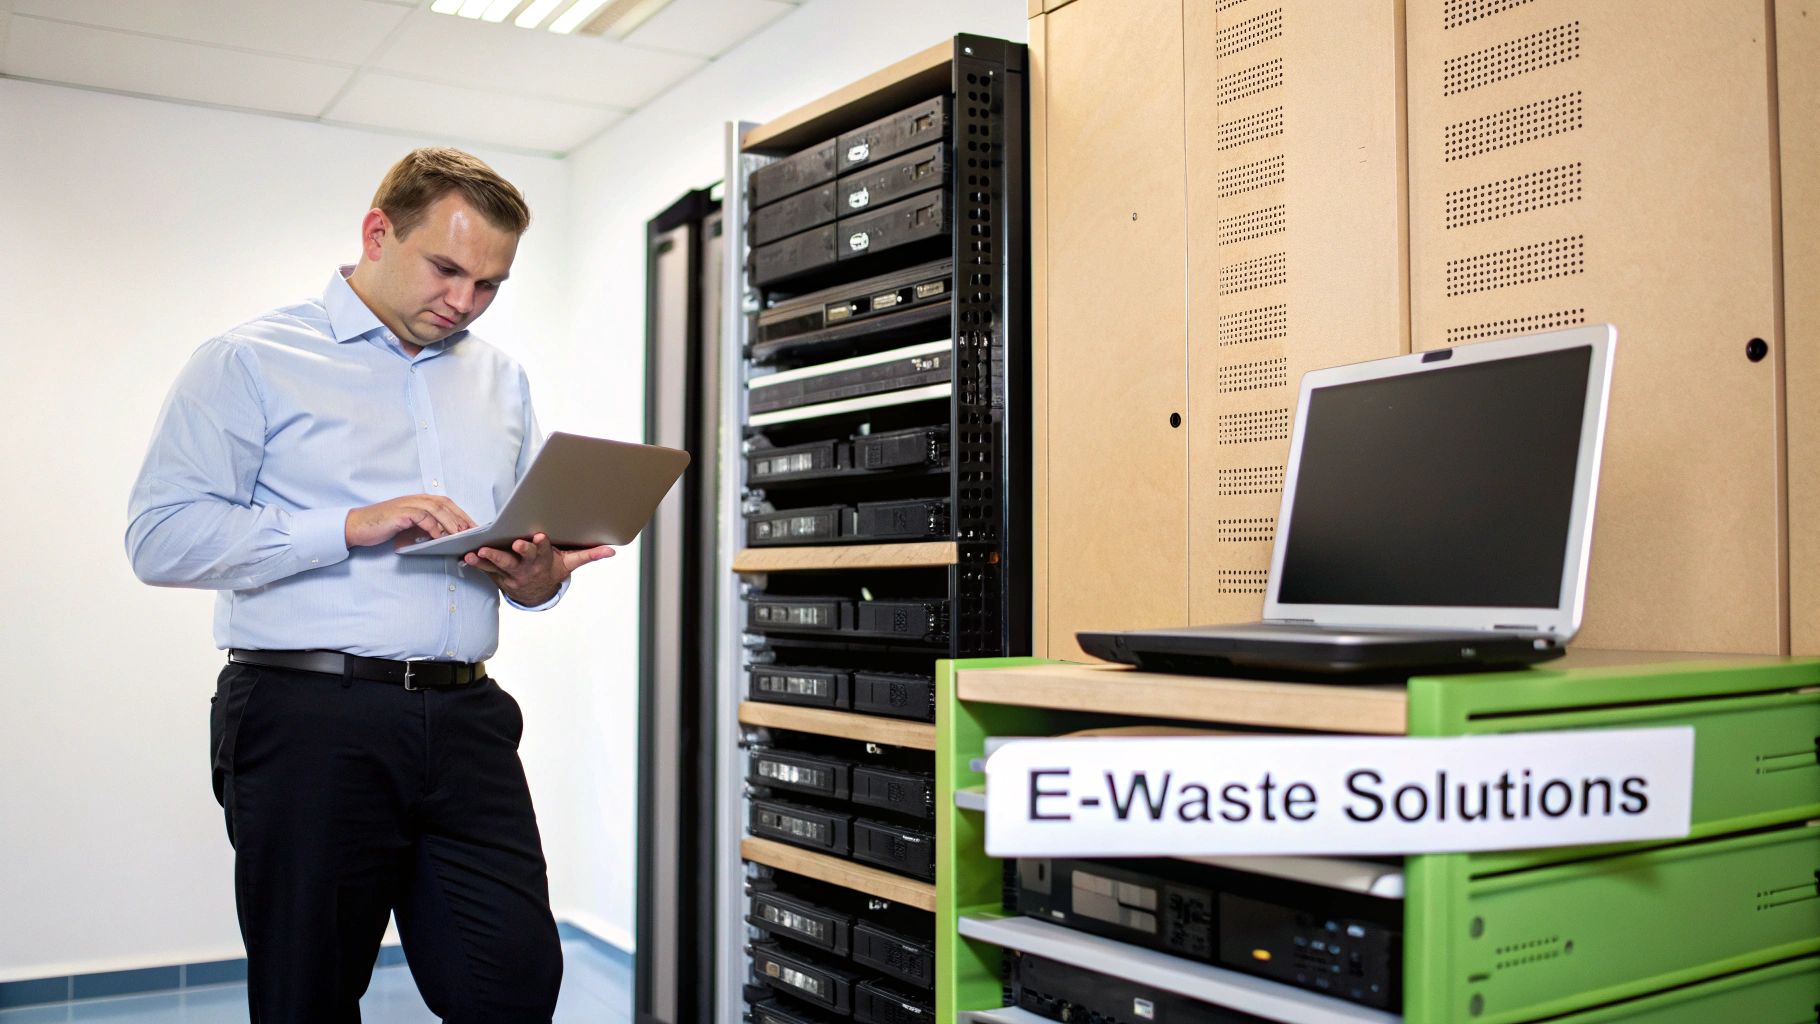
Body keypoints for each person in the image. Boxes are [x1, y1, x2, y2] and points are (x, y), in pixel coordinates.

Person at [125, 147, 609, 1022]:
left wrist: (537, 578)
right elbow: (161, 538)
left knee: (513, 983)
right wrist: (345, 525)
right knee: (306, 994)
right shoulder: (250, 360)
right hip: (309, 717)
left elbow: (516, 552)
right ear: (377, 232)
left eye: (490, 285)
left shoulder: (501, 379)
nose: (464, 302)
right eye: (448, 269)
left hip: (468, 721)